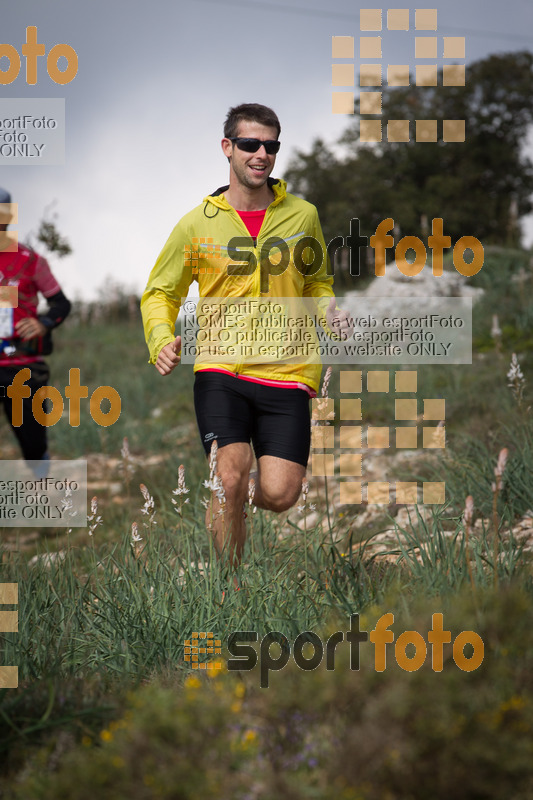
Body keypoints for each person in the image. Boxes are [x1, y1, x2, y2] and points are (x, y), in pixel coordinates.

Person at [141, 103, 351, 564]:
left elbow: (317, 281)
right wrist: (161, 339)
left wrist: (328, 311)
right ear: (227, 148)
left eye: (270, 146)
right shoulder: (197, 224)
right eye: (250, 144)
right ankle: (227, 589)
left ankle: (232, 494)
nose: (261, 154)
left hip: (288, 370)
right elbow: (160, 292)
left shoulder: (303, 216)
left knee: (280, 495)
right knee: (229, 476)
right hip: (222, 368)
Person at [0, 187, 71, 475]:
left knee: (31, 440)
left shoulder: (29, 261)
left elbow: (61, 304)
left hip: (21, 364)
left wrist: (43, 323)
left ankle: (41, 481)